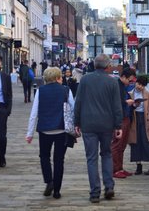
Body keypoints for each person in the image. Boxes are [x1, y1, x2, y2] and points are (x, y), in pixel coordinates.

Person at [73, 53, 123, 203]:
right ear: (107, 66)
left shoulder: (85, 80)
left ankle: (95, 192)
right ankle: (109, 186)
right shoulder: (112, 82)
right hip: (106, 124)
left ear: (94, 65)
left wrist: (77, 122)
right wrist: (118, 125)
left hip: (88, 124)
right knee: (107, 154)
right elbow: (117, 106)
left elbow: (78, 102)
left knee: (91, 158)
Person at [26, 66, 75, 199]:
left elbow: (34, 113)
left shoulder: (41, 91)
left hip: (45, 130)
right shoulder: (66, 90)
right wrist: (76, 126)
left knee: (44, 156)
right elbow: (73, 108)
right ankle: (57, 190)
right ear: (58, 77)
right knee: (59, 160)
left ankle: (49, 181)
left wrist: (29, 133)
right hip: (61, 129)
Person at [129, 74, 149, 175]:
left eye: (142, 85)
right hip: (134, 119)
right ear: (135, 82)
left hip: (144, 119)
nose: (140, 86)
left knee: (147, 142)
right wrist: (133, 105)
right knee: (135, 142)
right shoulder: (130, 93)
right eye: (139, 84)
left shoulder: (148, 94)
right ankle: (138, 166)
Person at [111, 66, 136, 179]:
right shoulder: (117, 86)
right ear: (123, 77)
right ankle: (115, 169)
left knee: (122, 145)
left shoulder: (123, 86)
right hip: (119, 118)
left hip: (125, 117)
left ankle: (120, 168)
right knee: (117, 144)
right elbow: (114, 102)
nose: (130, 82)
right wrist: (127, 102)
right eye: (129, 80)